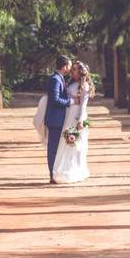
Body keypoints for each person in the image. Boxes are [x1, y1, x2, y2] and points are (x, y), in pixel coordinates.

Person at [51, 61, 93, 184]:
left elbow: (83, 105)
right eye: (72, 68)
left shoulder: (84, 86)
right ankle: (66, 167)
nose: (72, 71)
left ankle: (78, 170)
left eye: (74, 69)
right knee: (67, 143)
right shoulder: (71, 82)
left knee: (76, 145)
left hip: (77, 117)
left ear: (81, 71)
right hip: (68, 116)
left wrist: (80, 120)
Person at [42, 55, 73, 183]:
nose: (70, 68)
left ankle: (54, 173)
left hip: (58, 119)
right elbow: (55, 100)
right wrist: (69, 101)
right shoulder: (55, 79)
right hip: (55, 120)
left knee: (56, 147)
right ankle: (52, 175)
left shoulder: (59, 78)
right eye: (70, 66)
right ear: (65, 66)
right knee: (53, 148)